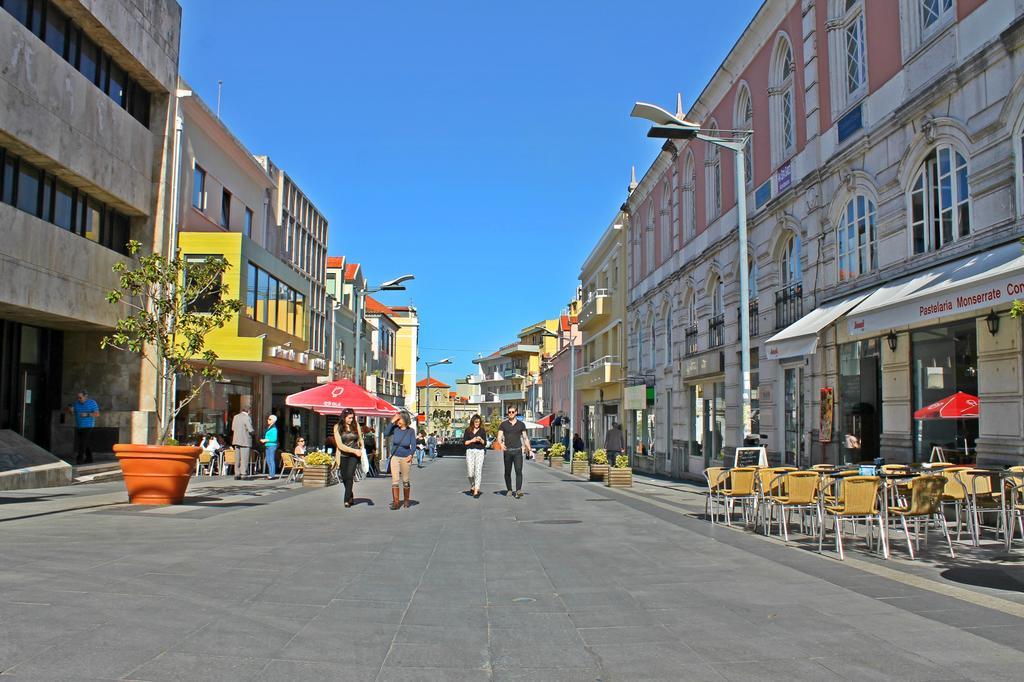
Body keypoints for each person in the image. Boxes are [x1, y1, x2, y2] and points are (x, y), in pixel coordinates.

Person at [384, 412, 417, 509]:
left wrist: (411, 454)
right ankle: (396, 502)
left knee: (405, 480)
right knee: (395, 479)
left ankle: (406, 500)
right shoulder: (395, 429)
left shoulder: (411, 431)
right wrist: (392, 421)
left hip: (405, 457)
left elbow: (413, 445)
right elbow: (386, 433)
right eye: (397, 420)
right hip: (395, 457)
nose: (398, 421)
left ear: (405, 420)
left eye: (399, 419)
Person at [497, 407, 531, 498]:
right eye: (509, 412)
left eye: (512, 412)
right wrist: (500, 444)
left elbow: (525, 438)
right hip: (507, 451)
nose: (511, 413)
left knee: (518, 470)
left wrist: (529, 449)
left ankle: (518, 490)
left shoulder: (521, 424)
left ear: (516, 412)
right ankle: (509, 490)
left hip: (518, 451)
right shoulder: (503, 424)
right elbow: (499, 436)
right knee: (507, 471)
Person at [333, 408, 363, 508]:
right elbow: (340, 445)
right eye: (349, 418)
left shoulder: (356, 425)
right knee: (345, 477)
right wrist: (354, 450)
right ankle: (350, 495)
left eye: (352, 418)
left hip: (354, 456)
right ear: (344, 417)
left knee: (349, 476)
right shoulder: (337, 427)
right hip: (343, 455)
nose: (351, 420)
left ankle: (346, 500)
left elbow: (360, 438)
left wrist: (362, 448)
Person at [69, 390, 100, 464]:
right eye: (77, 398)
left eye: (80, 397)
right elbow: (72, 414)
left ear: (85, 396)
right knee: (85, 443)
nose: (79, 399)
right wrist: (70, 410)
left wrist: (87, 414)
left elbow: (97, 414)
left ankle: (79, 459)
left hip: (88, 426)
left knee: (82, 443)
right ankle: (90, 458)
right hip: (79, 426)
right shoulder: (76, 404)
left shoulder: (92, 403)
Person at [462, 414, 488, 498]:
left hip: (480, 451)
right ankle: (473, 485)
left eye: (479, 422)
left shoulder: (482, 431)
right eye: (476, 422)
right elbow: (465, 442)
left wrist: (481, 440)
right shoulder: (468, 430)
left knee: (478, 471)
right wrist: (472, 440)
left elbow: (485, 443)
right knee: (470, 473)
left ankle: (476, 490)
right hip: (470, 451)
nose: (477, 423)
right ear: (472, 422)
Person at [230, 406, 254, 480]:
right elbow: (250, 429)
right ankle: (243, 474)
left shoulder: (236, 417)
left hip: (236, 440)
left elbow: (233, 428)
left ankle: (237, 474)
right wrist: (253, 433)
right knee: (244, 458)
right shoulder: (247, 417)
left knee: (237, 458)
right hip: (245, 440)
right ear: (249, 411)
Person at [260, 414, 279, 479]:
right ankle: (270, 473)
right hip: (268, 445)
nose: (268, 420)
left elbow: (274, 438)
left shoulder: (274, 428)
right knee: (268, 460)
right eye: (268, 419)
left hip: (272, 445)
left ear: (273, 421)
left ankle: (272, 474)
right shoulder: (269, 427)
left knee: (271, 459)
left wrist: (265, 440)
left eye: (269, 419)